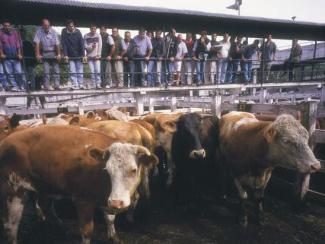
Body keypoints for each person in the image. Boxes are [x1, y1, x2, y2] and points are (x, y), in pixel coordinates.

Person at [34, 19, 61, 91]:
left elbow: (57, 43)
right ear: (42, 25)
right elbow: (37, 43)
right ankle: (46, 86)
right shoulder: (39, 32)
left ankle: (57, 86)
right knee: (46, 71)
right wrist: (38, 54)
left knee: (56, 70)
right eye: (45, 25)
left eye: (48, 25)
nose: (47, 27)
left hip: (53, 52)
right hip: (45, 52)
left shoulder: (54, 31)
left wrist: (58, 54)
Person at [0, 20, 25, 91]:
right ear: (3, 26)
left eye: (8, 26)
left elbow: (18, 45)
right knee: (9, 73)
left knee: (19, 72)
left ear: (10, 26)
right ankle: (14, 85)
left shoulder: (15, 33)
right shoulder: (1, 34)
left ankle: (21, 85)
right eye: (5, 26)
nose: (7, 27)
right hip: (7, 56)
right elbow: (0, 45)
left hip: (15, 56)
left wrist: (19, 53)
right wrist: (1, 54)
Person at [61, 20, 85, 89]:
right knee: (72, 70)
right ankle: (74, 84)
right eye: (70, 26)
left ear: (74, 26)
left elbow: (81, 43)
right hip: (70, 55)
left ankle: (81, 84)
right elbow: (64, 44)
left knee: (80, 70)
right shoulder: (64, 32)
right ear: (67, 27)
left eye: (72, 26)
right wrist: (65, 54)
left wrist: (83, 54)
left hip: (79, 55)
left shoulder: (78, 32)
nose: (71, 27)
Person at [84, 24, 102, 89]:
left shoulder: (98, 36)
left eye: (94, 29)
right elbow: (85, 47)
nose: (93, 30)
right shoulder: (86, 36)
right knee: (92, 71)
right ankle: (94, 85)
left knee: (98, 71)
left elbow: (100, 46)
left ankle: (98, 84)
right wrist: (91, 47)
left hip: (96, 57)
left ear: (96, 29)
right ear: (90, 29)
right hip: (90, 57)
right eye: (92, 28)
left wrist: (98, 55)